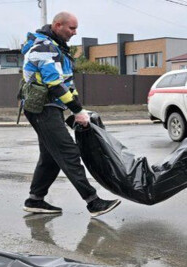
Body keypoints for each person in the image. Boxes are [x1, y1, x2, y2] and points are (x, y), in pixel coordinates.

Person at [21, 12, 120, 217]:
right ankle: (93, 202)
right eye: (71, 28)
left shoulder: (59, 49)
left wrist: (79, 110)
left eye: (76, 28)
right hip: (41, 109)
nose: (75, 33)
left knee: (50, 157)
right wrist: (76, 111)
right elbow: (54, 83)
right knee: (68, 152)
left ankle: (35, 200)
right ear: (58, 25)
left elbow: (68, 84)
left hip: (51, 107)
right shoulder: (44, 48)